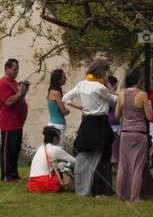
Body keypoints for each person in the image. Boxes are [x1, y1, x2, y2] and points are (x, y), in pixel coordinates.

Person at [63, 58, 117, 196]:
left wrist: (81, 107)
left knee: (88, 156)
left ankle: (91, 188)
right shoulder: (100, 87)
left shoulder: (81, 84)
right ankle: (99, 191)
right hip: (100, 122)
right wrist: (108, 83)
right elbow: (115, 99)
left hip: (87, 121)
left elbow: (66, 99)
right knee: (99, 158)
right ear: (102, 72)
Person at [115, 67, 153, 201]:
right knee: (137, 165)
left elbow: (117, 114)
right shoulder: (142, 95)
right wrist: (149, 106)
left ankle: (120, 194)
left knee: (123, 165)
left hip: (125, 132)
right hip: (139, 132)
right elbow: (149, 116)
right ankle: (135, 196)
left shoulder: (121, 94)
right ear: (138, 79)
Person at [0, 58, 29, 183]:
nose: (17, 72)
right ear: (7, 68)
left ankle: (14, 174)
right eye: (14, 69)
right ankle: (6, 176)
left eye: (17, 70)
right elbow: (9, 102)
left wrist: (24, 91)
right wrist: (20, 92)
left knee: (15, 149)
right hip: (8, 122)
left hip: (17, 122)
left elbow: (19, 99)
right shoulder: (3, 83)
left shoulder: (14, 82)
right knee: (8, 151)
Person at [26, 126, 74, 192]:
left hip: (32, 184)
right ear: (55, 138)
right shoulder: (55, 149)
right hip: (44, 183)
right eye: (59, 137)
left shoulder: (41, 148)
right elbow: (75, 161)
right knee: (65, 165)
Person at [47, 68, 71, 142]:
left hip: (53, 123)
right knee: (59, 148)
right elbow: (63, 111)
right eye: (64, 77)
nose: (66, 79)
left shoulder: (51, 91)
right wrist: (68, 111)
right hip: (58, 125)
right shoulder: (57, 93)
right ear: (58, 79)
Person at [107, 76, 121, 165]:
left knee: (117, 145)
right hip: (111, 125)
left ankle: (116, 162)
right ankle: (113, 161)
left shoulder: (116, 96)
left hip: (117, 124)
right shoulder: (108, 97)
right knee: (113, 145)